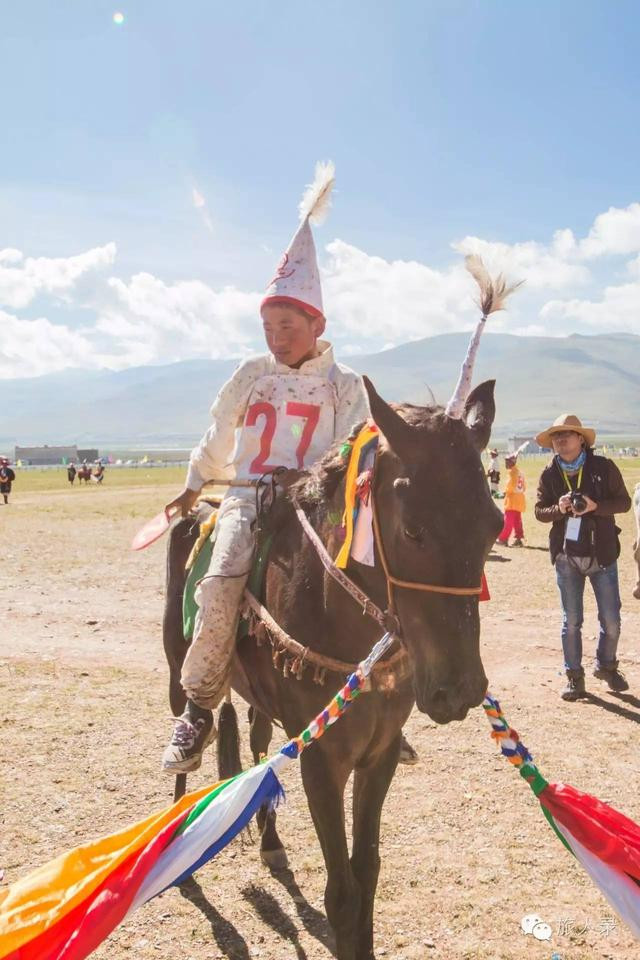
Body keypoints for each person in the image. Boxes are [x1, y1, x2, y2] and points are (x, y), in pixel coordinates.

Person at [161, 163, 370, 773]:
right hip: (248, 501)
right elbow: (220, 429)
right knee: (222, 578)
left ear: (317, 325)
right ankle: (199, 707)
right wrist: (196, 481)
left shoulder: (346, 386)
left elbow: (355, 448)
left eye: (289, 325)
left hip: (316, 509)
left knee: (373, 583)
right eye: (269, 326)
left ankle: (377, 699)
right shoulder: (251, 375)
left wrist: (316, 487)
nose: (277, 337)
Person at [534, 414, 632, 701]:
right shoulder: (549, 473)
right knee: (572, 620)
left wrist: (595, 505)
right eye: (556, 436)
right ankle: (574, 677)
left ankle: (606, 665)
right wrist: (559, 508)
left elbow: (624, 503)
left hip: (602, 555)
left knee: (611, 619)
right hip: (566, 558)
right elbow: (539, 512)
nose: (560, 440)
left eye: (567, 435)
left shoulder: (603, 467)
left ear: (581, 440)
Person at [496, 452, 526, 546]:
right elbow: (524, 487)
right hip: (520, 499)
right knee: (517, 520)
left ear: (512, 462)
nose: (506, 463)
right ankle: (518, 538)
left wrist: (505, 492)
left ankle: (503, 539)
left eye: (507, 461)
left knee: (507, 521)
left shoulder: (512, 473)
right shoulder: (520, 472)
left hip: (512, 500)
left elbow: (510, 487)